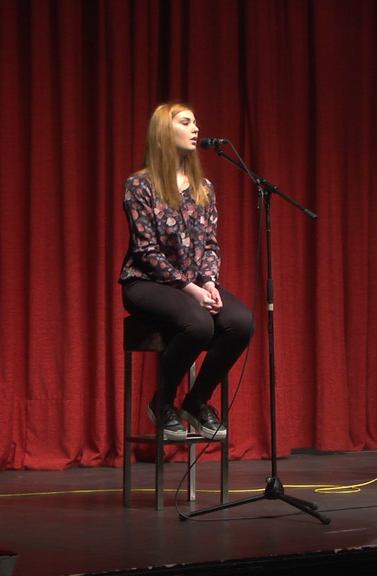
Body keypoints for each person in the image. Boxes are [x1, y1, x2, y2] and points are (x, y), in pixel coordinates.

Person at [119, 102, 254, 441]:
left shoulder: (203, 187)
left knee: (240, 322)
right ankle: (162, 402)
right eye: (185, 122)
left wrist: (208, 282)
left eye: (195, 122)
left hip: (193, 282)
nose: (195, 128)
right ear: (164, 131)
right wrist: (191, 290)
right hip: (145, 282)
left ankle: (196, 401)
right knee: (199, 323)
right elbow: (145, 251)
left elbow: (210, 245)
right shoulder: (140, 185)